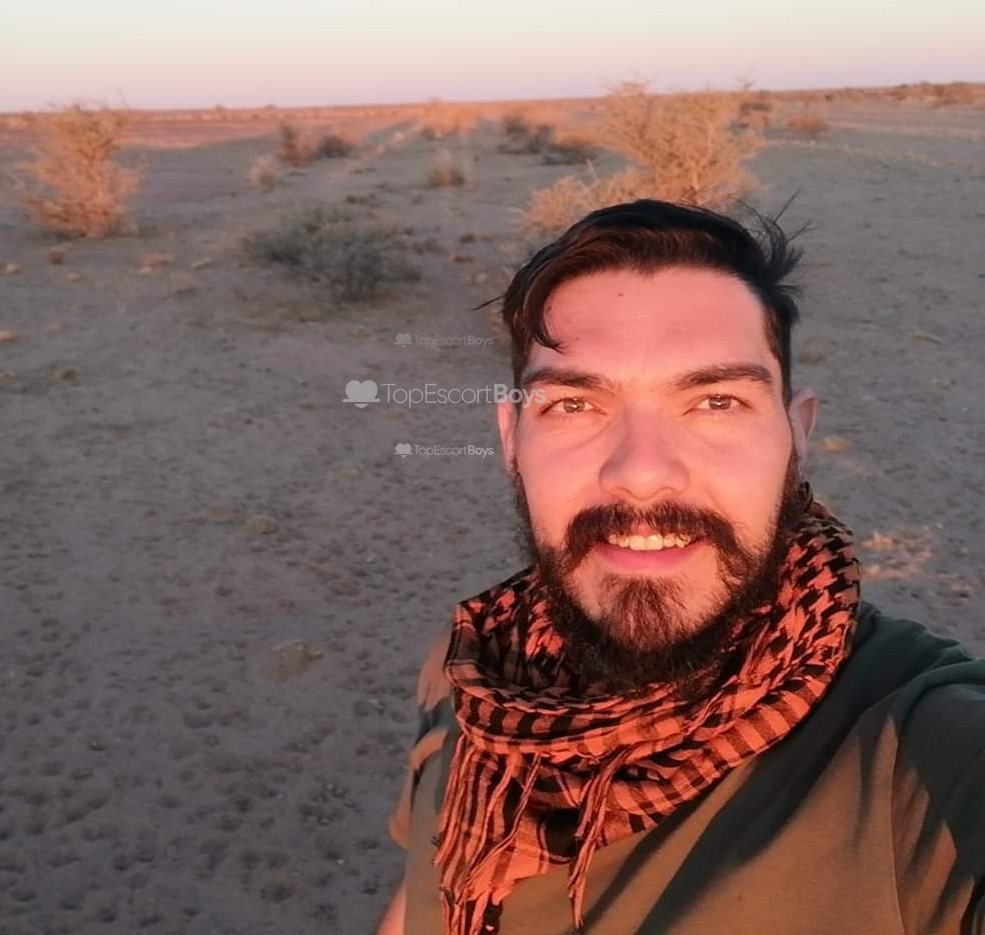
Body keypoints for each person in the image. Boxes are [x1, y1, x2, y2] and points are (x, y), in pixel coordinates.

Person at [375, 201, 985, 935]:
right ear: (511, 441)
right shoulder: (470, 671)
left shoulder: (924, 747)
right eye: (573, 404)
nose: (641, 474)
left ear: (796, 435)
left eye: (716, 401)